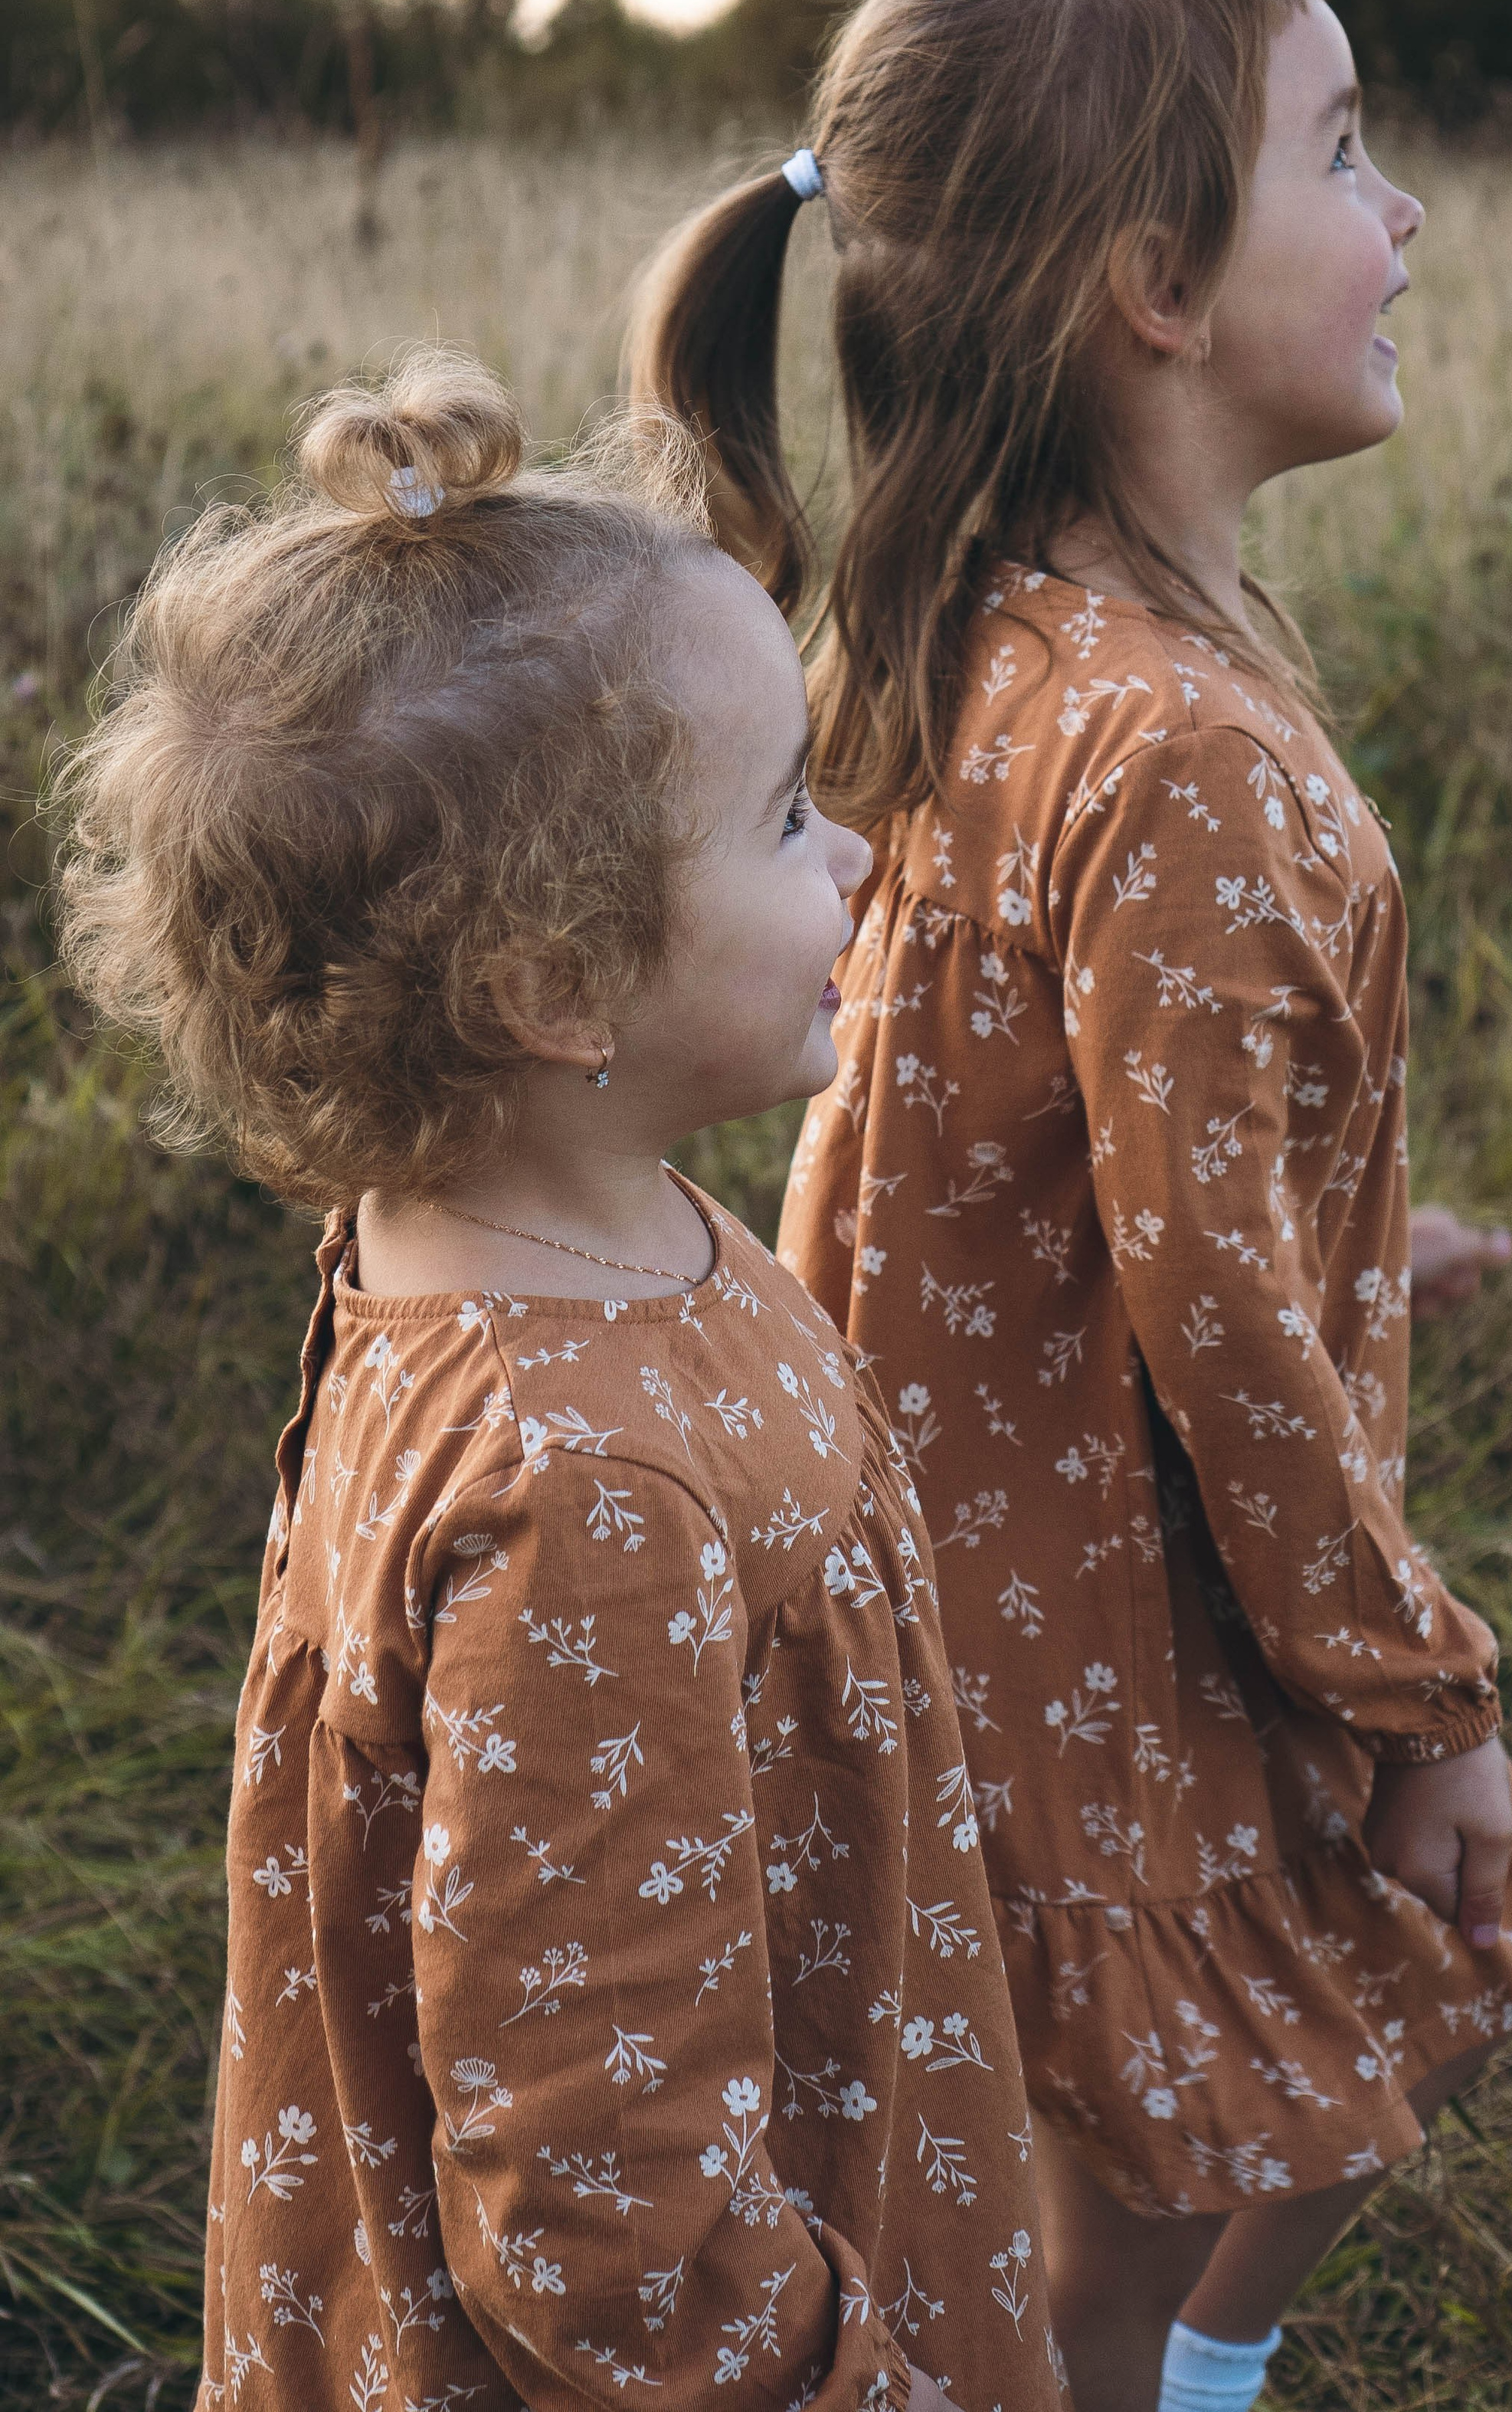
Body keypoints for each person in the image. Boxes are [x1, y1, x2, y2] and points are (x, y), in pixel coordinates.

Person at [626, 0, 1512, 2412]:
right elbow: (1218, 1312)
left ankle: (1143, 2366)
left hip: (964, 1562)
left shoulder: (1000, 635)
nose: (1405, 219)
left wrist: (1396, 1236)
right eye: (1343, 152)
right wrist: (1421, 1702)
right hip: (1103, 1624)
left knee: (1076, 2182)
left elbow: (1064, 1153)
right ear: (1157, 277)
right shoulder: (1190, 755)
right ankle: (1190, 2384)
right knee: (1471, 1943)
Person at [53, 351, 1062, 2412]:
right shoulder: (579, 1485)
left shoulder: (521, 1231)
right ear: (553, 987)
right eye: (786, 814)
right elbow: (605, 2219)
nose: (858, 856)